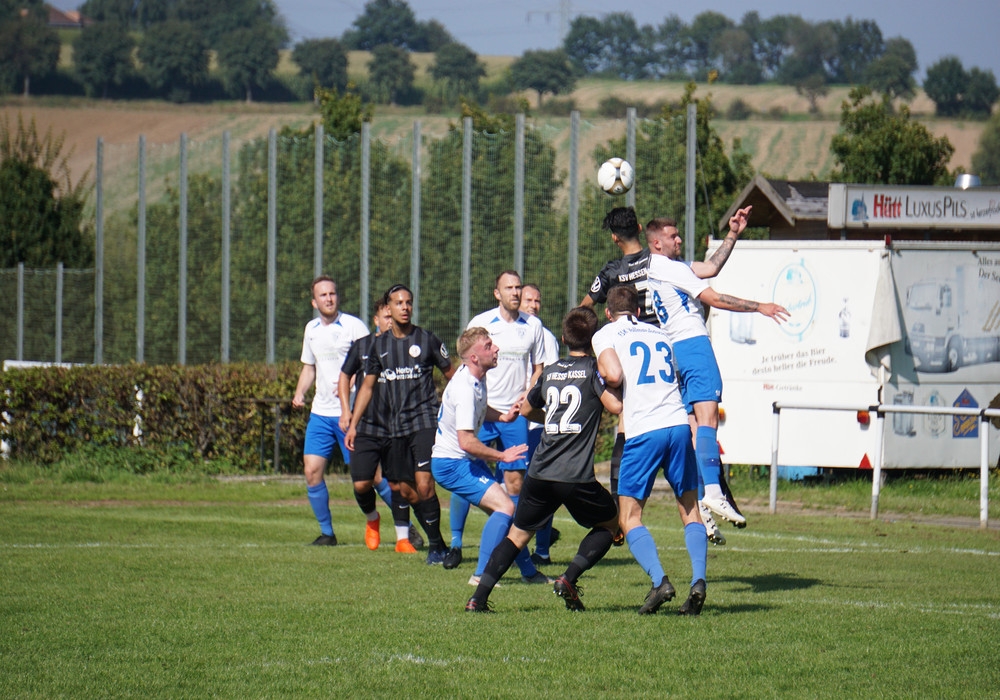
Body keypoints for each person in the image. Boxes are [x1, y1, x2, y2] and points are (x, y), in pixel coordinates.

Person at [581, 206, 750, 544]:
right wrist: (732, 234)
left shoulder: (612, 271)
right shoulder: (659, 261)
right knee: (691, 429)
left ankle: (620, 515)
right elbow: (711, 269)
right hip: (665, 351)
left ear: (614, 237)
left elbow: (584, 308)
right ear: (640, 229)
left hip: (632, 359)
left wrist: (595, 346)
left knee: (629, 426)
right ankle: (709, 498)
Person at [465, 307, 622, 613]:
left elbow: (526, 410)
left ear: (563, 338)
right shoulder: (592, 370)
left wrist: (551, 418)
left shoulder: (550, 371)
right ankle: (569, 578)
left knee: (517, 535)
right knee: (611, 524)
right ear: (592, 340)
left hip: (540, 471)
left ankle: (477, 598)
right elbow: (615, 405)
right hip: (575, 476)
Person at [645, 211, 789, 531]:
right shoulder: (672, 268)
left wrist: (733, 233)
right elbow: (714, 297)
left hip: (674, 351)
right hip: (694, 345)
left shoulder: (657, 268)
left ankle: (700, 500)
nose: (679, 239)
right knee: (709, 419)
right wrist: (761, 307)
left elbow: (710, 268)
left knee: (695, 428)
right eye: (672, 236)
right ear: (656, 243)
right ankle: (713, 491)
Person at [592, 285, 707, 615]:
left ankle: (660, 582)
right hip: (678, 424)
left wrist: (599, 377)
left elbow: (613, 374)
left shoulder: (606, 333)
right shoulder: (661, 333)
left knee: (629, 517)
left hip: (644, 429)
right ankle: (698, 581)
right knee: (690, 508)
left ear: (608, 313)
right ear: (639, 311)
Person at [431, 327, 550, 587]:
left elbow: (480, 408)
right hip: (452, 464)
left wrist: (503, 417)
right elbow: (466, 441)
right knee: (506, 507)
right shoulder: (464, 388)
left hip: (461, 461)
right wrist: (502, 456)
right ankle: (481, 576)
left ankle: (529, 573)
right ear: (474, 357)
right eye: (488, 346)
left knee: (508, 515)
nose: (495, 348)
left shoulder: (475, 377)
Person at [443, 271, 546, 570]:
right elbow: (467, 362)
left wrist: (528, 395)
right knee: (467, 472)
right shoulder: (482, 322)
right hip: (483, 413)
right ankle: (456, 543)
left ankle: (512, 545)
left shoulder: (533, 326)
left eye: (518, 287)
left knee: (515, 480)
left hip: (513, 416)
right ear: (497, 293)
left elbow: (538, 368)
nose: (515, 292)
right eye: (508, 288)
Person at [345, 284, 455, 564]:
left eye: (408, 302)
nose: (404, 307)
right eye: (398, 303)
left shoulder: (427, 340)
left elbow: (452, 376)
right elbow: (367, 387)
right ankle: (438, 543)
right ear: (388, 308)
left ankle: (435, 548)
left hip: (424, 422)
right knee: (405, 490)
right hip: (395, 428)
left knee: (425, 484)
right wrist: (354, 424)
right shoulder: (378, 346)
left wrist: (459, 411)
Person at [338, 298, 423, 552]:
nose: (390, 321)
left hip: (398, 426)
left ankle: (402, 539)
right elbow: (344, 375)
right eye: (386, 317)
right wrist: (346, 411)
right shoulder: (363, 346)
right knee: (362, 483)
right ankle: (372, 518)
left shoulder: (408, 346)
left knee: (398, 483)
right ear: (376, 320)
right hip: (366, 425)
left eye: (393, 316)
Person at [292, 276, 371, 546]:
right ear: (314, 302)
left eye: (332, 294)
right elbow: (309, 367)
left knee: (370, 477)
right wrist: (300, 392)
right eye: (323, 295)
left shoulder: (354, 327)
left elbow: (370, 364)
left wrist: (350, 381)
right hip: (321, 414)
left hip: (351, 413)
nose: (329, 298)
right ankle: (327, 533)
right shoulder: (311, 329)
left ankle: (404, 528)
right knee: (312, 471)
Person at [520, 282, 561, 565]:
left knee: (540, 485)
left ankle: (542, 550)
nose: (533, 305)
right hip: (510, 419)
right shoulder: (505, 332)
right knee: (512, 484)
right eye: (528, 300)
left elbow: (552, 378)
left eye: (537, 300)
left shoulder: (546, 337)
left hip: (537, 421)